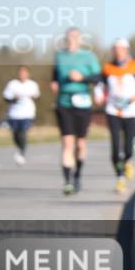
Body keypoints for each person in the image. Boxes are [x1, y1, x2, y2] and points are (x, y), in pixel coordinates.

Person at [51, 27, 102, 194]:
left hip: (83, 102)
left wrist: (82, 78)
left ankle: (78, 175)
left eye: (75, 37)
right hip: (64, 102)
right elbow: (54, 75)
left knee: (80, 144)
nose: (72, 39)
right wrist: (54, 83)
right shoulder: (59, 56)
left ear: (80, 39)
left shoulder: (88, 56)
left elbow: (98, 78)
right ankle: (67, 181)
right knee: (67, 142)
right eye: (69, 37)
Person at [101, 39, 135, 192]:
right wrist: (99, 96)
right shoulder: (108, 68)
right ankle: (120, 178)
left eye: (121, 49)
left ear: (126, 50)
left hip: (131, 111)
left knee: (128, 146)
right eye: (115, 49)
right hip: (113, 110)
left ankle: (127, 161)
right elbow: (101, 86)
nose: (118, 52)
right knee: (115, 146)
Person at [2, 66, 40, 164]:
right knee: (15, 135)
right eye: (21, 73)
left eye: (24, 73)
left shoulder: (32, 84)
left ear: (28, 74)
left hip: (27, 113)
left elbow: (37, 97)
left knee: (23, 133)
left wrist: (33, 97)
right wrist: (15, 99)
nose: (22, 75)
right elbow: (6, 98)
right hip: (14, 114)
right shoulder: (12, 84)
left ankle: (22, 153)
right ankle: (20, 148)